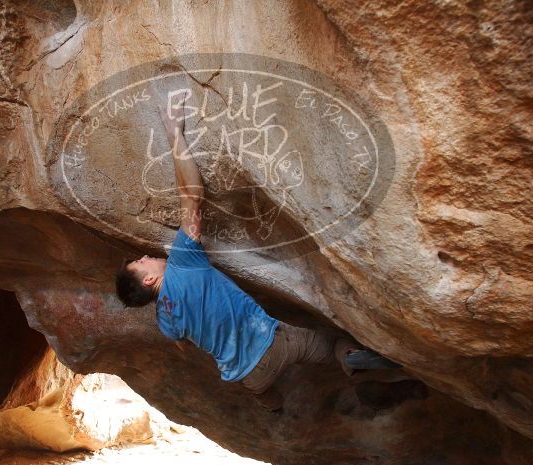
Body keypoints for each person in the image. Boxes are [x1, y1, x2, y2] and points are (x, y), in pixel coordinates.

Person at [114, 95, 400, 411]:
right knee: (328, 343)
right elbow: (191, 197)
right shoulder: (181, 262)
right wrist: (175, 134)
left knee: (263, 396)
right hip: (274, 343)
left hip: (249, 376)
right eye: (141, 262)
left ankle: (275, 409)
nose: (146, 257)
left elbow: (180, 341)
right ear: (149, 279)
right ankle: (349, 358)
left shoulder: (165, 320)